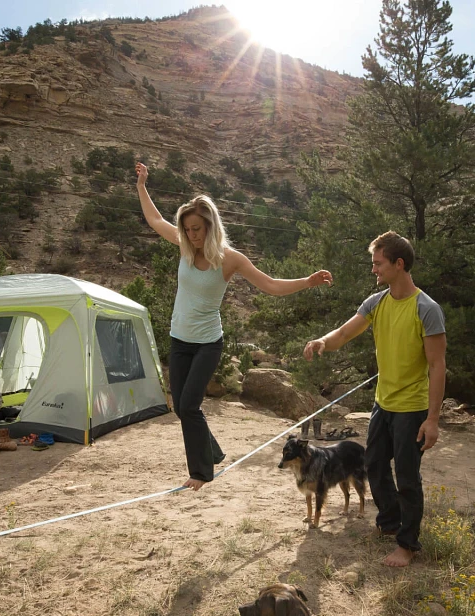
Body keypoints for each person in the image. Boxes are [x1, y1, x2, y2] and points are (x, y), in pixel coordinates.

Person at [136, 162, 333, 491]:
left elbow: (270, 285)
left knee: (188, 405)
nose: (191, 235)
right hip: (179, 339)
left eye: (197, 229)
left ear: (210, 226)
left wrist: (307, 282)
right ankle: (212, 451)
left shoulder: (230, 259)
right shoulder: (184, 246)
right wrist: (142, 185)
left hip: (208, 343)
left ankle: (200, 472)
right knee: (182, 407)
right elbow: (155, 220)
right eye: (186, 229)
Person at [303, 231, 446, 567]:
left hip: (413, 409)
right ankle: (389, 523)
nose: (374, 270)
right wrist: (322, 342)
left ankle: (408, 546)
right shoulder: (376, 302)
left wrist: (433, 420)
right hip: (383, 405)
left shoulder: (427, 309)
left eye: (378, 264)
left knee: (408, 478)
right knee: (376, 467)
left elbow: (438, 367)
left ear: (399, 264)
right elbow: (343, 333)